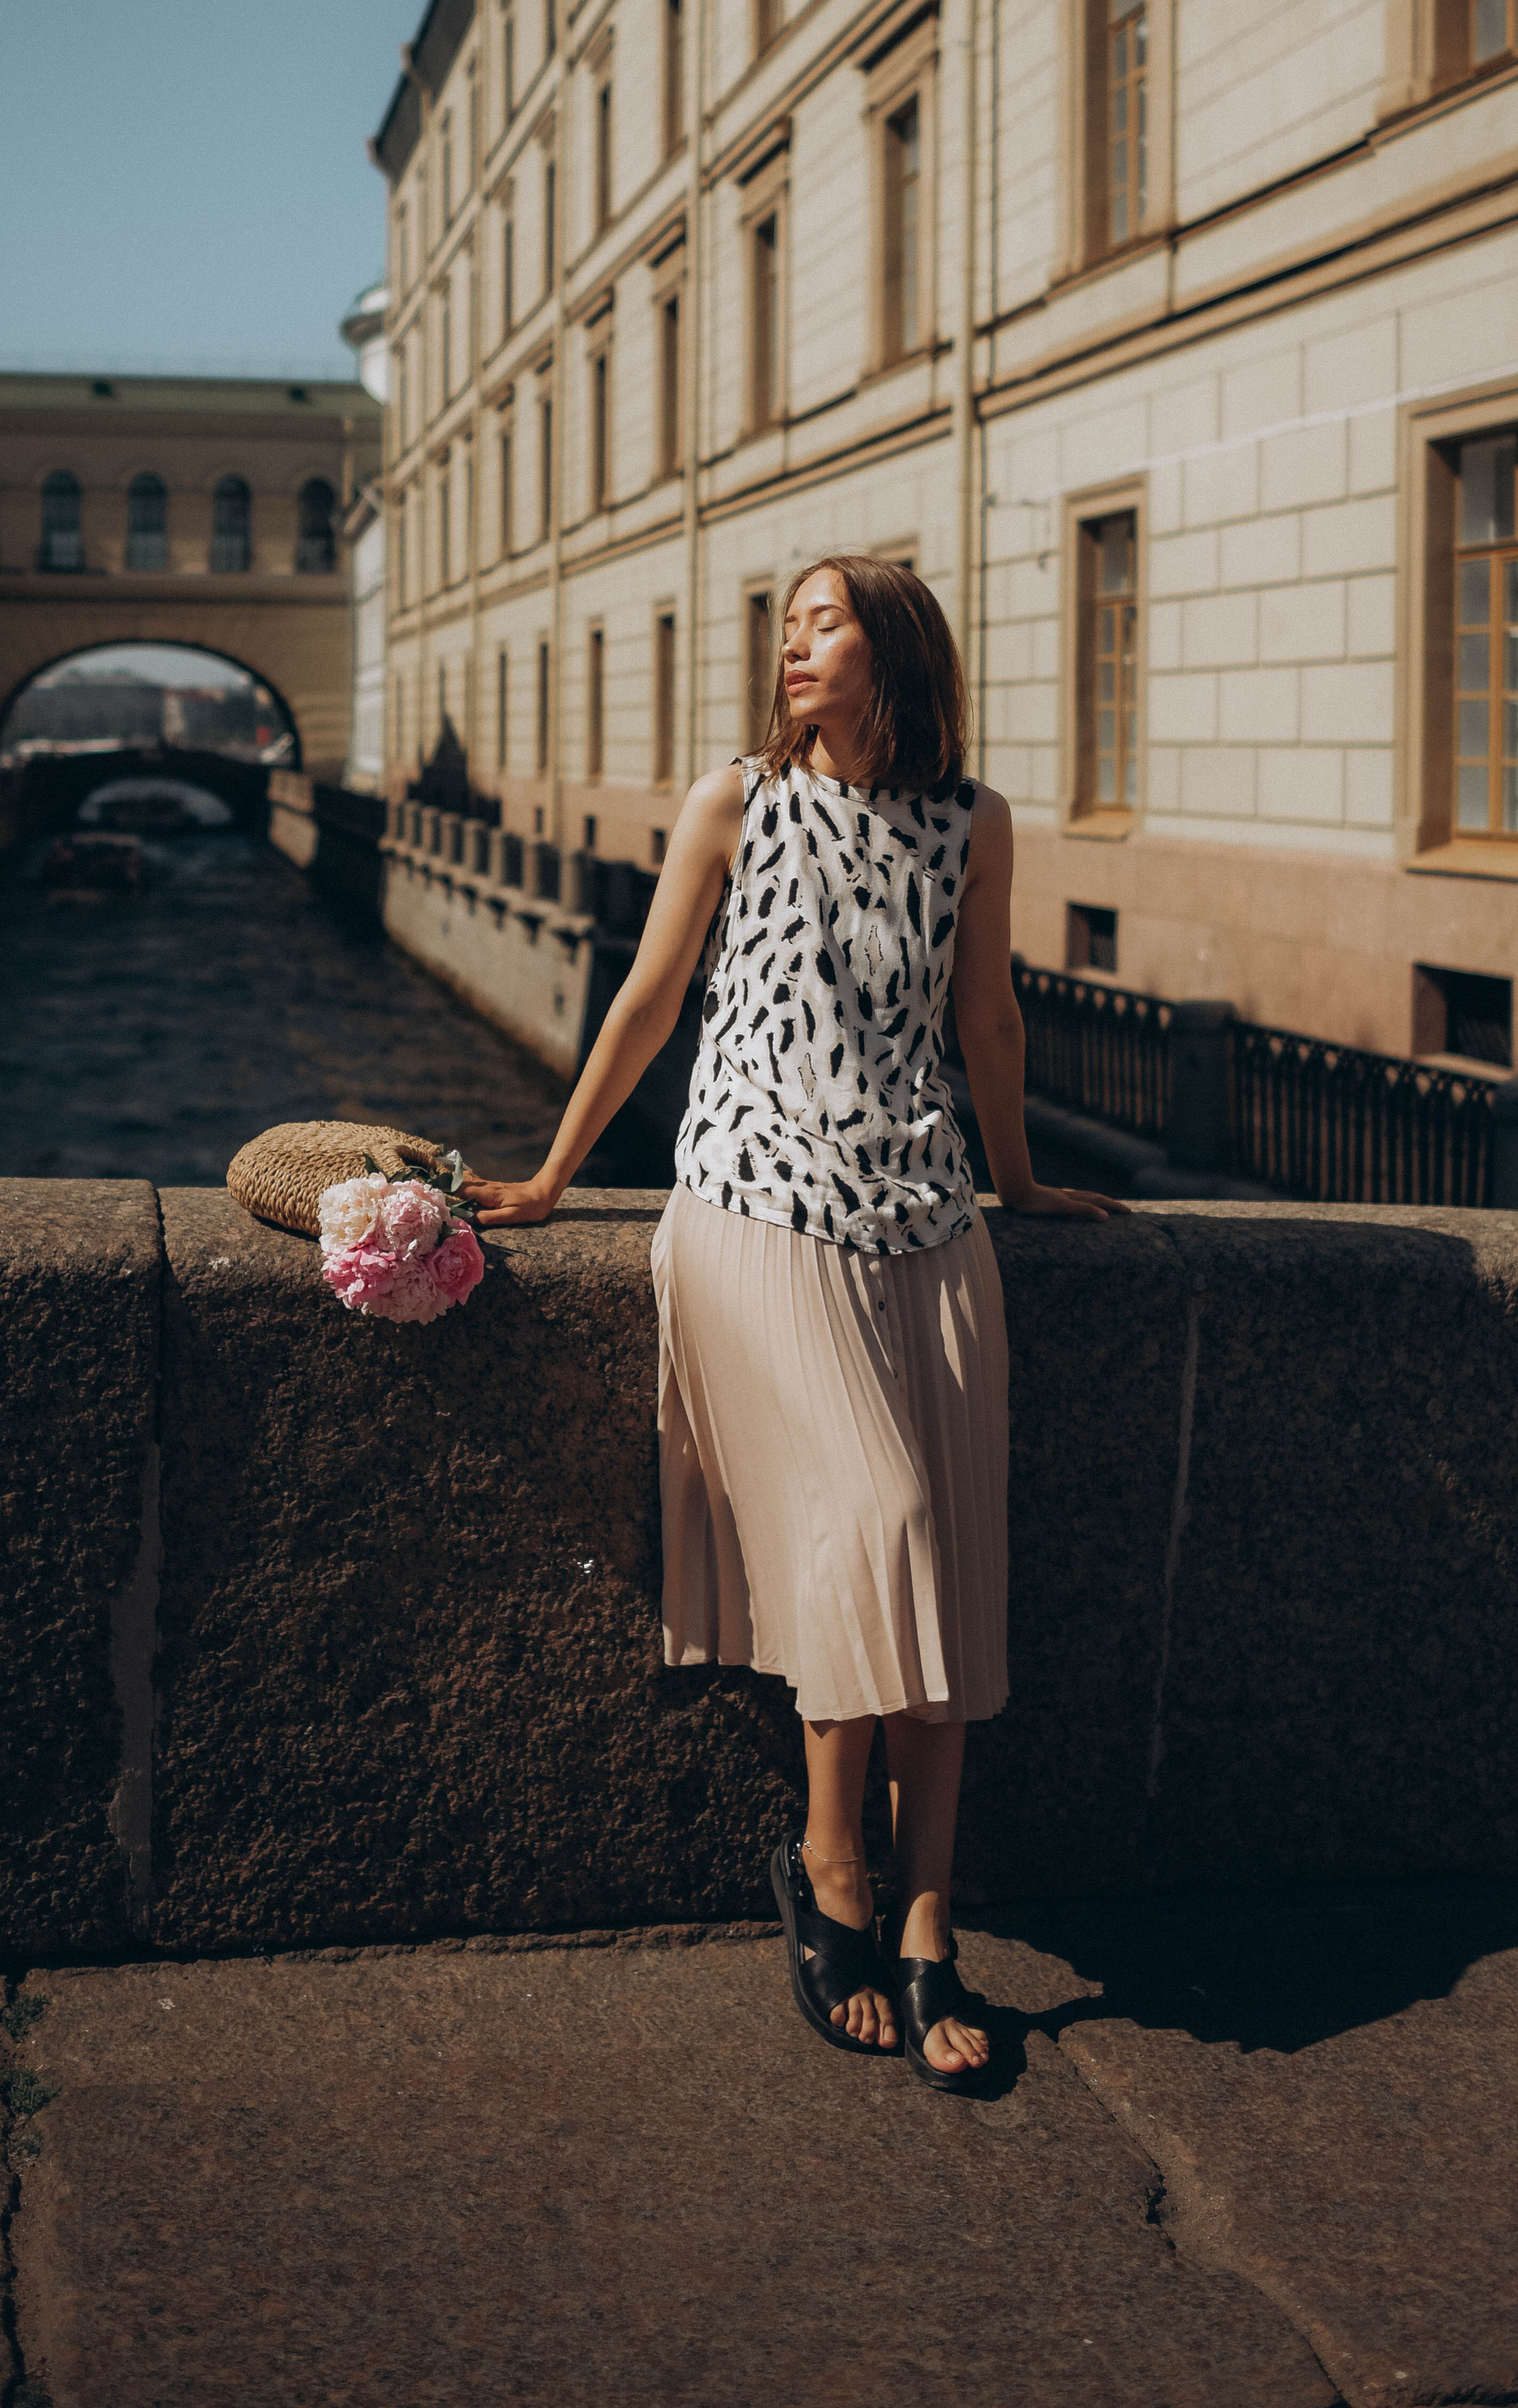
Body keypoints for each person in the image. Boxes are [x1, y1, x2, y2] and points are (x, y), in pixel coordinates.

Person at [462, 558, 1125, 2090]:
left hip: (931, 1219)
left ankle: (931, 1920)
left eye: (823, 622)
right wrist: (559, 1173)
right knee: (877, 1516)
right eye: (790, 627)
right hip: (754, 1201)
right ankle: (834, 1866)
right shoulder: (737, 801)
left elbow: (988, 1021)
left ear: (893, 650)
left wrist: (1017, 1184)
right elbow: (648, 994)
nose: (794, 646)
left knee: (951, 1569)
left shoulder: (973, 821)